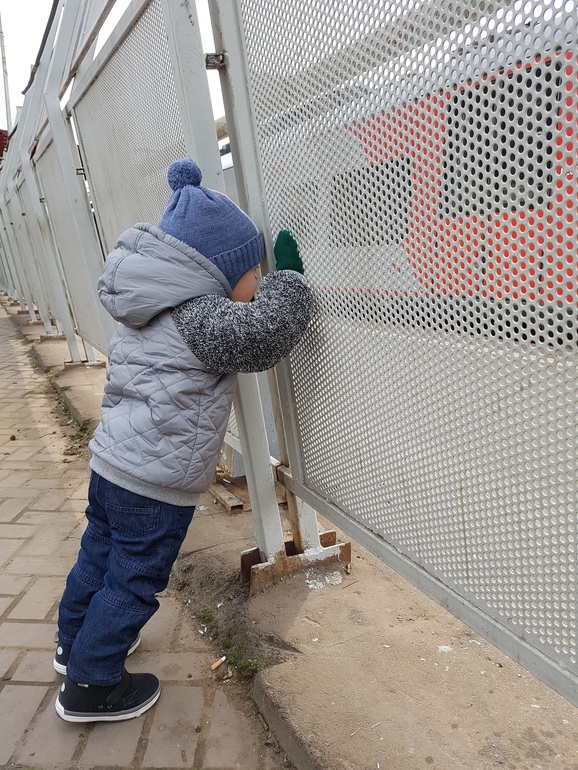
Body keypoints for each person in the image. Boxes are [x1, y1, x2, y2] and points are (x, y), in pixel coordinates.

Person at [54, 158, 314, 723]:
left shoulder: (148, 307)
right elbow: (262, 336)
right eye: (254, 273)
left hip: (111, 465)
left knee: (97, 556)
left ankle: (72, 644)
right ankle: (91, 684)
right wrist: (290, 283)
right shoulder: (201, 317)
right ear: (220, 272)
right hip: (154, 485)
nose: (257, 283)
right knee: (133, 579)